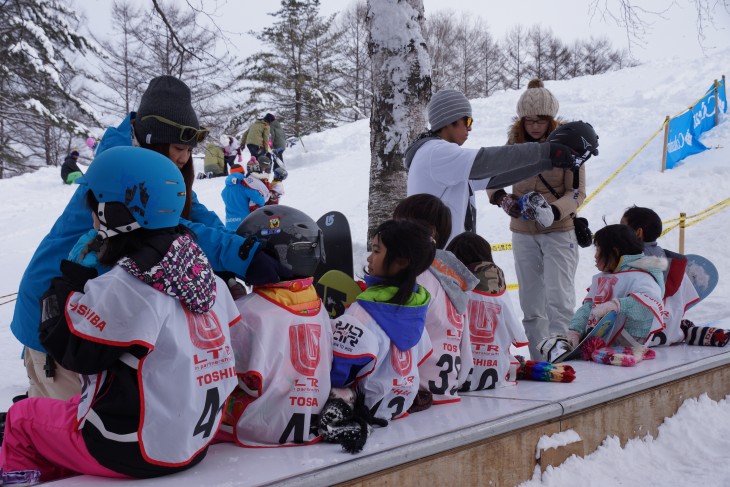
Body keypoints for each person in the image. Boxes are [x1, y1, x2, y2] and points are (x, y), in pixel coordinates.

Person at [10, 75, 288, 401]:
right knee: (72, 436)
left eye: (188, 150)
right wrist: (241, 254)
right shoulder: (119, 168)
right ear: (155, 140)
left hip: (95, 310)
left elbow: (194, 216)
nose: (184, 158)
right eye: (178, 148)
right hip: (59, 317)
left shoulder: (156, 168)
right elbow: (163, 233)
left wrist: (245, 242)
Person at [1, 146, 239, 481]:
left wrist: (64, 287)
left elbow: (74, 352)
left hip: (133, 448)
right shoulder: (206, 278)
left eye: (95, 210)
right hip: (193, 439)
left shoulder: (126, 286)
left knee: (21, 420)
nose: (93, 219)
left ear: (112, 213)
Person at [405, 88, 593, 243]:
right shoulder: (437, 153)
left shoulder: (441, 157)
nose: (470, 127)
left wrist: (547, 162)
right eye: (467, 120)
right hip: (436, 256)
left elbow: (497, 176)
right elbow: (488, 160)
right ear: (449, 120)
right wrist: (547, 151)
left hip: (442, 253)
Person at [217, 205, 332, 447]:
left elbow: (223, 369)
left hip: (259, 427)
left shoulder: (247, 312)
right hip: (311, 421)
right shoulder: (318, 307)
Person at [487, 79, 585, 360]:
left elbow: (577, 192)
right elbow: (491, 180)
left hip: (559, 230)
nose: (534, 126)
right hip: (522, 232)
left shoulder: (570, 146)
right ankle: (539, 358)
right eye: (529, 120)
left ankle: (562, 355)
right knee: (531, 301)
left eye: (540, 120)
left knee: (559, 298)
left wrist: (553, 211)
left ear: (551, 119)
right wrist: (503, 199)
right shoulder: (512, 146)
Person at [321, 219, 435, 453]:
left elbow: (340, 372)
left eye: (376, 250)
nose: (370, 258)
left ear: (401, 261)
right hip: (399, 407)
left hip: (364, 405)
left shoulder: (362, 313)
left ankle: (346, 423)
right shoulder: (416, 309)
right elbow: (422, 355)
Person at [393, 194, 478, 405]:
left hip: (413, 394)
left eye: (397, 225)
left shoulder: (415, 277)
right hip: (447, 392)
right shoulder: (453, 280)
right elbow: (466, 352)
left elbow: (394, 338)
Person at [567, 224, 666, 366]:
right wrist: (575, 330)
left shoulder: (642, 275)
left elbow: (648, 307)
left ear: (614, 251)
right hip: (600, 349)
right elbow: (589, 307)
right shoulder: (604, 276)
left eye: (599, 250)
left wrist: (616, 305)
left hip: (630, 346)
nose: (595, 256)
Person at [445, 232, 528, 390]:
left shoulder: (452, 288)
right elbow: (516, 333)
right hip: (497, 374)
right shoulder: (499, 287)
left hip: (455, 376)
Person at [620, 206, 705, 347]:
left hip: (634, 340)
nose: (618, 232)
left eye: (622, 227)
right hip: (668, 334)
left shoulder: (630, 262)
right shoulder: (670, 262)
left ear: (638, 233)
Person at [221, 164, 267, 230]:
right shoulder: (244, 186)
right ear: (242, 172)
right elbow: (260, 201)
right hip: (244, 224)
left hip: (229, 225)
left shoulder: (224, 191)